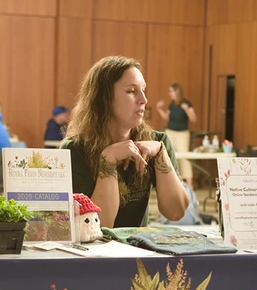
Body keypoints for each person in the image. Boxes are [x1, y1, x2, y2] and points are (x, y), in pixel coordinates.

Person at [61, 56, 189, 228]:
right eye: (131, 91)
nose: (144, 99)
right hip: (93, 252)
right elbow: (99, 226)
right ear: (103, 99)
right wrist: (109, 158)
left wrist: (160, 153)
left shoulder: (158, 142)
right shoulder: (75, 150)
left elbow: (176, 212)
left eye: (143, 90)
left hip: (139, 252)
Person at [155, 83, 197, 188]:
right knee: (170, 156)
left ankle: (189, 184)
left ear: (177, 92)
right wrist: (159, 109)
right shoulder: (172, 104)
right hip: (170, 132)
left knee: (184, 157)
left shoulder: (187, 103)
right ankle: (175, 181)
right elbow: (166, 117)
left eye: (171, 91)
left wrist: (186, 109)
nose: (169, 94)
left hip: (182, 134)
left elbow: (193, 119)